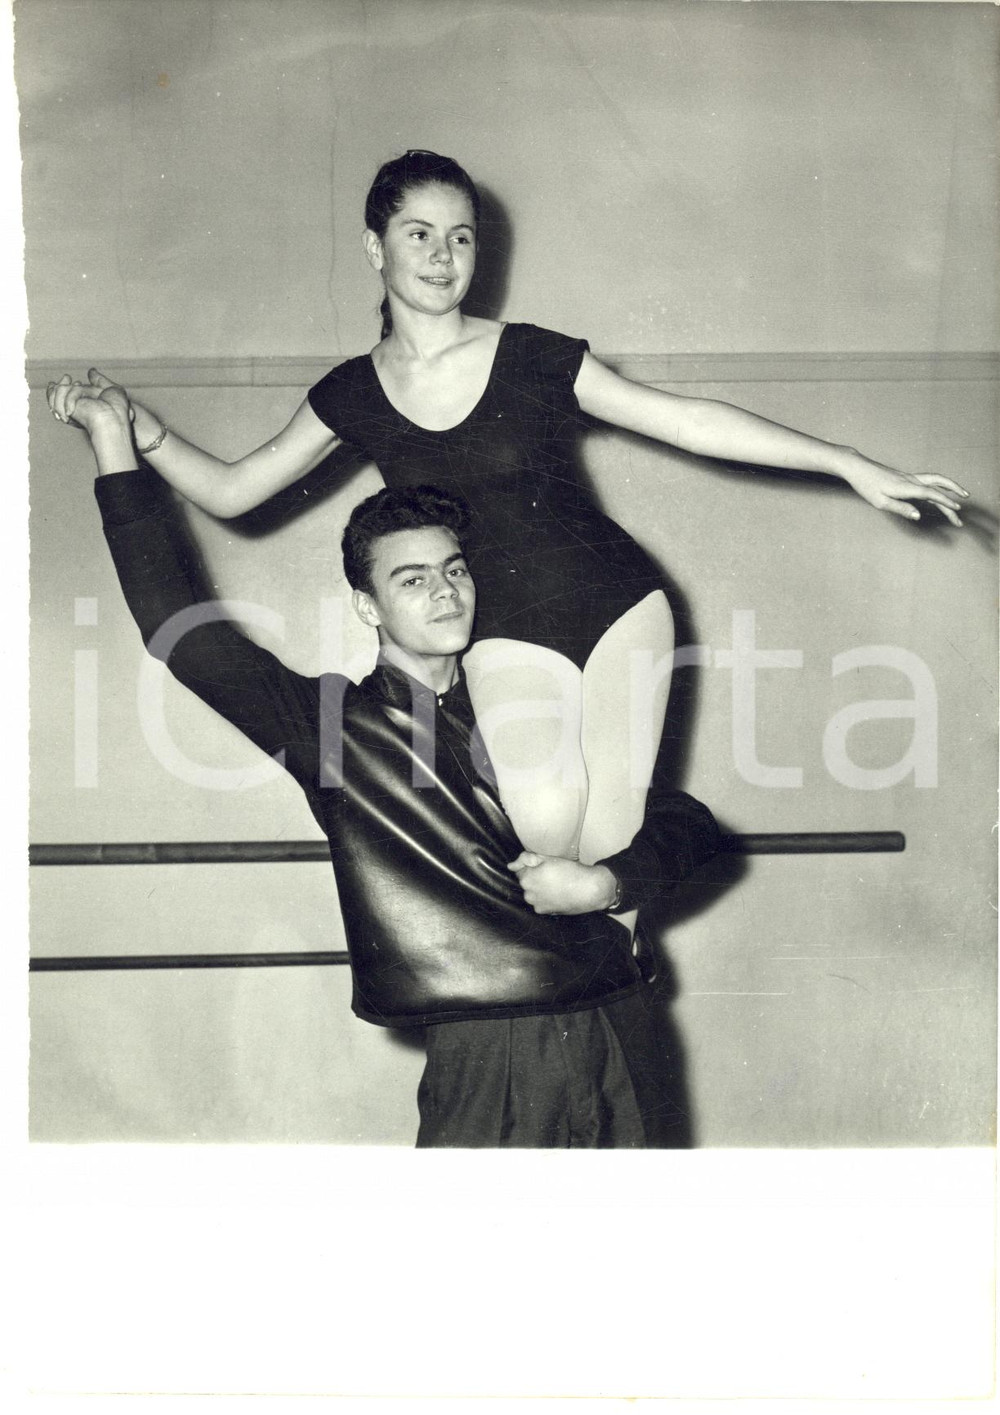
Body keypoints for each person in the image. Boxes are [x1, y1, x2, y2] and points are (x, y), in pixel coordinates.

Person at [47, 149, 969, 890]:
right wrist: (137, 430)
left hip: (621, 602)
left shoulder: (531, 356)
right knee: (541, 823)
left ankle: (609, 998)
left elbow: (687, 419)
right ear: (375, 248)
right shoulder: (353, 392)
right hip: (505, 624)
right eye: (419, 234)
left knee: (611, 850)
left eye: (461, 237)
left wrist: (848, 463)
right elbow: (234, 490)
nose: (443, 257)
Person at [61, 379, 722, 1148]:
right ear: (367, 605)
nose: (445, 592)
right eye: (413, 579)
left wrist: (608, 883)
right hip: (492, 1054)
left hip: (624, 1026)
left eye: (455, 570)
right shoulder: (334, 728)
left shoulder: (536, 695)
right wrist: (112, 441)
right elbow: (178, 627)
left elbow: (685, 820)